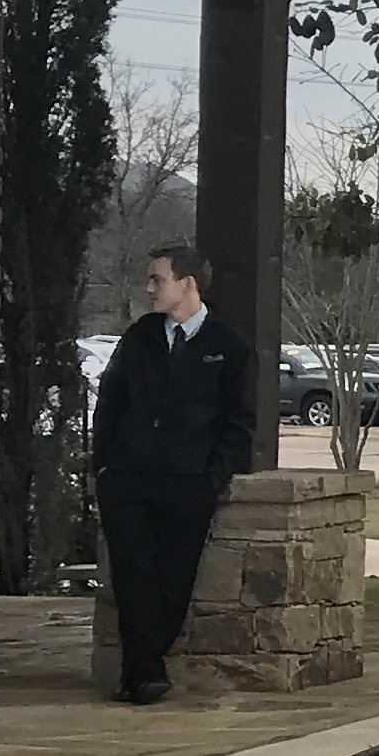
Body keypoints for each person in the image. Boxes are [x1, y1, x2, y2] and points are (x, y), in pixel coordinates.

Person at [91, 243, 256, 704]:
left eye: (157, 279)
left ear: (188, 283)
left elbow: (239, 421)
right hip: (128, 477)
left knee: (174, 578)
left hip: (189, 482)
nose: (148, 288)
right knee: (132, 572)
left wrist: (213, 476)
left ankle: (143, 666)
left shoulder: (230, 346)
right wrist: (102, 466)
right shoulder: (140, 336)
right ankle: (144, 671)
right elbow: (111, 402)